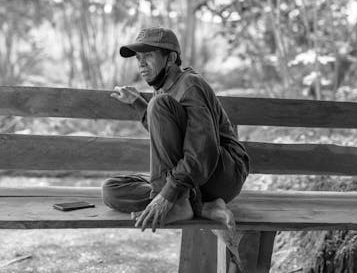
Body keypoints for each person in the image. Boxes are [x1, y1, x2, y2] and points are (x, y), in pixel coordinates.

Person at [102, 26, 250, 234]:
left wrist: (167, 194)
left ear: (170, 58)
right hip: (197, 178)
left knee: (159, 104)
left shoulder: (190, 85)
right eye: (138, 58)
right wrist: (137, 103)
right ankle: (200, 206)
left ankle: (180, 203)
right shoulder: (162, 91)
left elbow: (204, 152)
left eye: (149, 56)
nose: (141, 64)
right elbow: (168, 134)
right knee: (112, 190)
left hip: (222, 172)